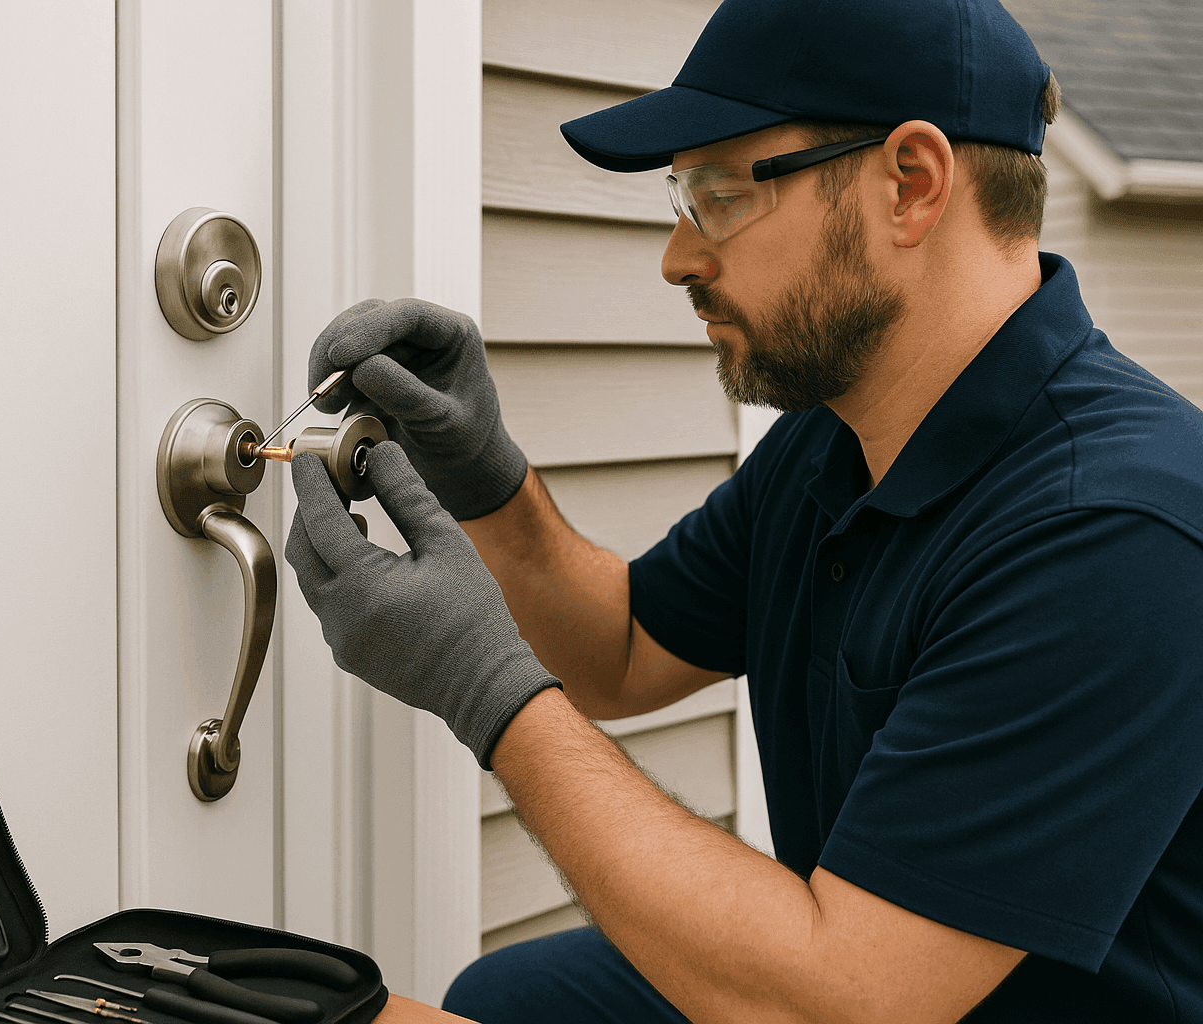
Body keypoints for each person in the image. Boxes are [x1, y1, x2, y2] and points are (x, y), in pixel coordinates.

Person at [284, 0, 1203, 1020]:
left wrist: (483, 686)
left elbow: (839, 1004)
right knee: (515, 994)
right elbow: (623, 648)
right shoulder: (836, 437)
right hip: (863, 977)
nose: (677, 257)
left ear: (912, 183)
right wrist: (484, 479)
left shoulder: (1113, 527)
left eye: (715, 193)